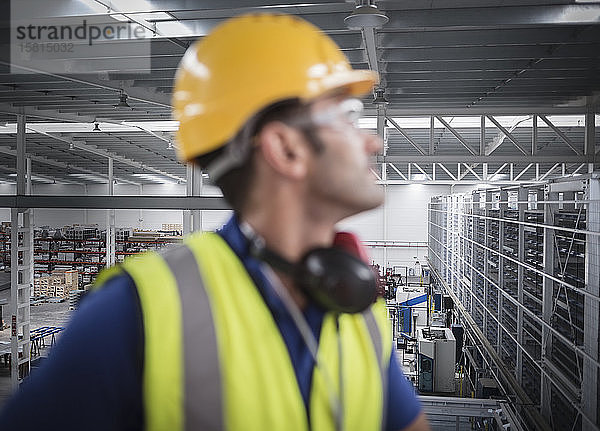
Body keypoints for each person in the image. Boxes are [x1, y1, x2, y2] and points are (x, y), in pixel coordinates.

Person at [0, 14, 429, 430]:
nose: (374, 140)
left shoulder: (359, 306)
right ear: (286, 149)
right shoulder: (139, 310)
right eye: (347, 118)